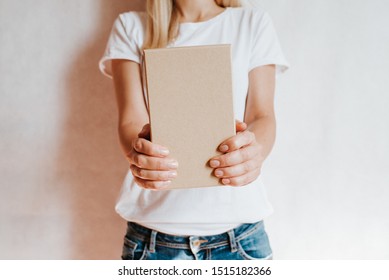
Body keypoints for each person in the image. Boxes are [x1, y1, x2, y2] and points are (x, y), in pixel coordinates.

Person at [99, 0, 289, 260]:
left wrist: (252, 154)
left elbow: (262, 116)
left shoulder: (252, 23)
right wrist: (142, 154)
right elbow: (130, 121)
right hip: (153, 240)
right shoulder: (131, 27)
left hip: (240, 238)